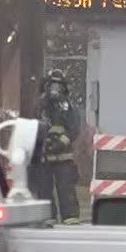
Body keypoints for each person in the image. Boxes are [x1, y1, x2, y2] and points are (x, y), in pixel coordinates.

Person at [30, 70, 82, 224]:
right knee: (44, 188)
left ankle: (70, 216)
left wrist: (61, 142)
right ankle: (48, 216)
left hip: (63, 155)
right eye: (52, 85)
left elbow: (74, 128)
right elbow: (34, 126)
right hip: (44, 155)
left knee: (66, 186)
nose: (54, 89)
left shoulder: (68, 106)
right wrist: (42, 144)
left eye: (58, 85)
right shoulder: (40, 106)